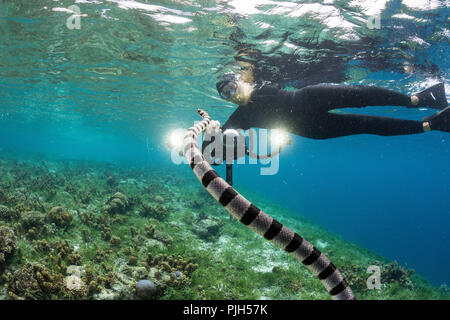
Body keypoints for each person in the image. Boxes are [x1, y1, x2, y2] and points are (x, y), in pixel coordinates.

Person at [213, 74, 449, 139]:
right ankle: (431, 124)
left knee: (362, 94)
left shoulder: (262, 75)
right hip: (311, 128)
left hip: (309, 97)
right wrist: (211, 134)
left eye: (231, 87)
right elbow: (213, 150)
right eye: (226, 95)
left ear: (240, 80)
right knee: (367, 124)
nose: (231, 95)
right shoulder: (241, 116)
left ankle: (418, 100)